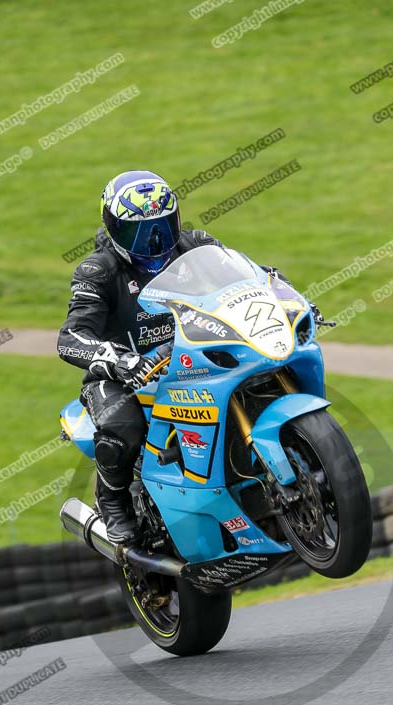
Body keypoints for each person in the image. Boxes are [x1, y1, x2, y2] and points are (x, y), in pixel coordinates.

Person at [58, 170, 323, 545]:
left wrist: (286, 300)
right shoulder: (98, 271)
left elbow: (249, 279)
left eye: (163, 227)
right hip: (125, 372)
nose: (154, 241)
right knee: (122, 425)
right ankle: (113, 503)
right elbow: (70, 336)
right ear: (114, 229)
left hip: (191, 354)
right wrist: (117, 360)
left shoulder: (195, 246)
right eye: (140, 232)